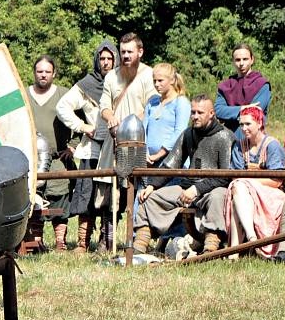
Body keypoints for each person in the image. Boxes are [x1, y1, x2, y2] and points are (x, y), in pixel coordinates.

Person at [132, 95, 235, 254]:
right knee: (151, 198)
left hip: (214, 188)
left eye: (200, 112)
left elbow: (226, 176)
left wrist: (197, 189)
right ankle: (138, 247)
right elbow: (171, 165)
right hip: (187, 187)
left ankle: (211, 248)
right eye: (193, 112)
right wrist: (152, 185)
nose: (195, 116)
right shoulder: (188, 133)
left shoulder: (225, 137)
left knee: (218, 197)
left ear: (212, 114)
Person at [97, 32, 156, 251]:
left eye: (130, 51)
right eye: (122, 52)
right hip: (113, 141)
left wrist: (132, 123)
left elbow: (151, 106)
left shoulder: (149, 75)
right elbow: (104, 105)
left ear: (140, 52)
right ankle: (107, 239)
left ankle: (136, 240)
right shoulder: (111, 76)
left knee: (136, 188)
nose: (126, 56)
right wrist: (110, 117)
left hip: (138, 141)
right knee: (107, 193)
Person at [57, 41, 117, 253]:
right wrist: (83, 126)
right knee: (87, 194)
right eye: (102, 58)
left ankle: (106, 240)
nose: (106, 63)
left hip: (115, 148)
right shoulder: (87, 84)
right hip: (92, 149)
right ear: (97, 60)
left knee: (110, 196)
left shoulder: (122, 82)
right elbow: (62, 107)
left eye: (110, 59)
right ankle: (83, 241)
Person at [225, 105, 285, 259]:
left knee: (239, 187)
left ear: (259, 123)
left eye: (248, 124)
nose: (244, 128)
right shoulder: (239, 146)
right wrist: (247, 184)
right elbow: (235, 175)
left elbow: (277, 180)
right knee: (238, 191)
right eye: (241, 124)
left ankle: (238, 248)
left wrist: (250, 182)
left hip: (271, 194)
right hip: (244, 192)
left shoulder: (271, 145)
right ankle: (247, 242)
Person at [28, 55, 74, 251]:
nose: (43, 75)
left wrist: (73, 145)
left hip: (58, 159)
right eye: (40, 71)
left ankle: (60, 242)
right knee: (33, 198)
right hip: (30, 159)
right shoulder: (23, 94)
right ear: (34, 73)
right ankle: (37, 240)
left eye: (47, 71)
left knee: (59, 197)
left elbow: (82, 117)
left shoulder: (65, 95)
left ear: (54, 73)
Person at [215, 43, 270, 137]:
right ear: (233, 62)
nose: (241, 63)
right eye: (237, 60)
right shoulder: (225, 86)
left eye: (245, 59)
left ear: (252, 60)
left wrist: (230, 113)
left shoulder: (262, 84)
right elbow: (218, 110)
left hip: (253, 141)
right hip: (228, 139)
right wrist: (241, 109)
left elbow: (253, 112)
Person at [143, 63, 191, 167]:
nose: (156, 84)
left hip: (172, 162)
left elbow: (179, 132)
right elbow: (144, 129)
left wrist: (159, 154)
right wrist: (145, 153)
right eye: (154, 81)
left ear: (172, 80)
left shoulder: (181, 102)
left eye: (160, 80)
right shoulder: (152, 102)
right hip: (150, 162)